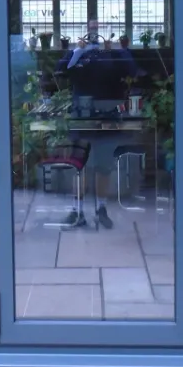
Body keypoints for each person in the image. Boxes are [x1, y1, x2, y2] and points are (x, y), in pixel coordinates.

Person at [55, 18, 141, 230]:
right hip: (81, 115)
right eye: (91, 29)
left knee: (103, 164)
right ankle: (77, 211)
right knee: (79, 165)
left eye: (97, 29)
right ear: (85, 32)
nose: (94, 33)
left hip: (108, 116)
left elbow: (132, 69)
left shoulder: (112, 54)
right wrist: (77, 51)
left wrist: (118, 49)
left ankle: (101, 208)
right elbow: (60, 69)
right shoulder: (79, 53)